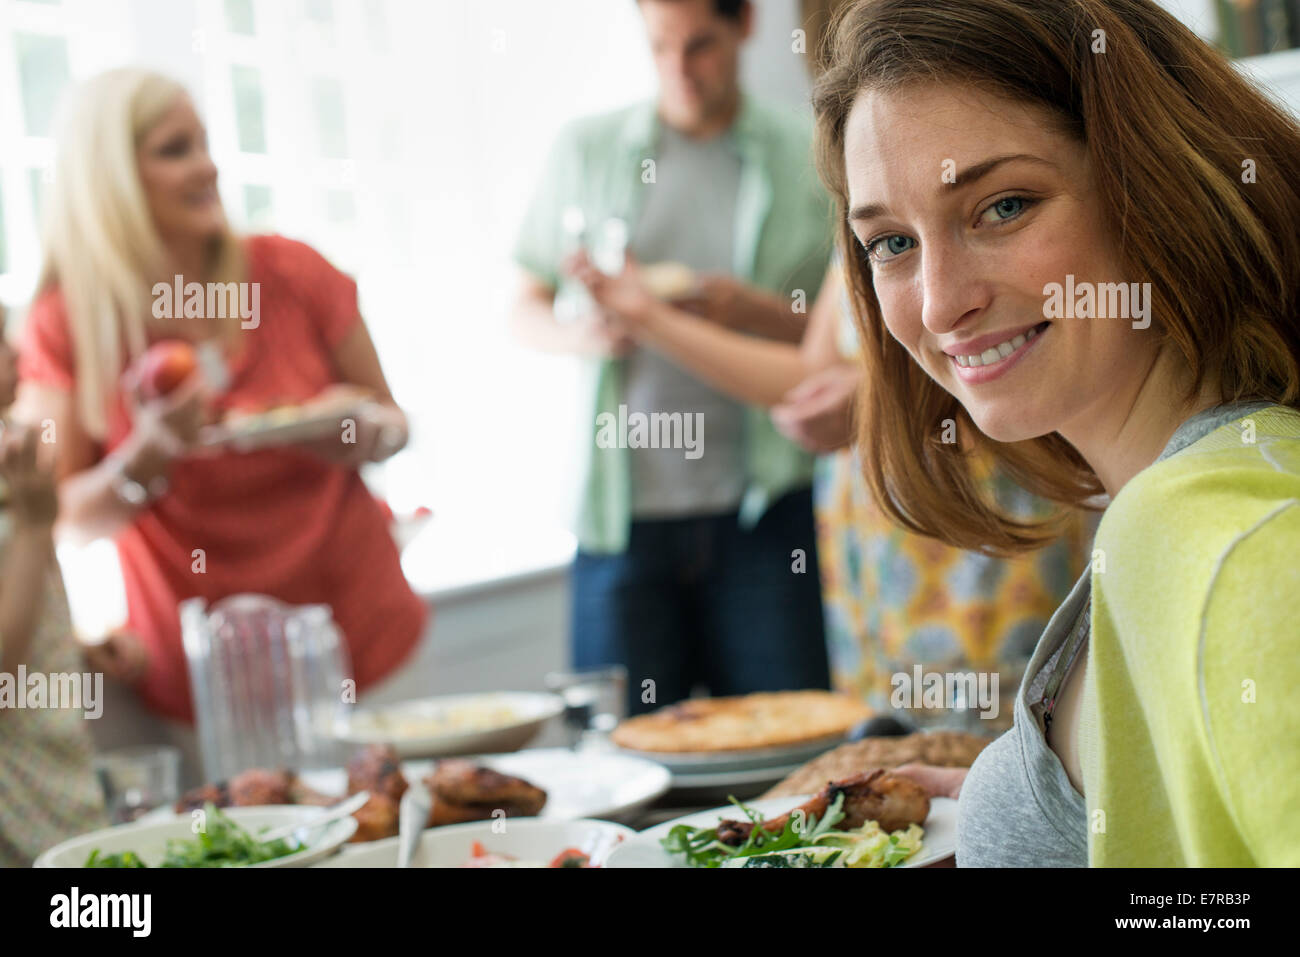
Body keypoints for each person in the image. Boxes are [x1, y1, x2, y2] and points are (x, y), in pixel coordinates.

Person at [812, 0, 1300, 865]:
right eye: (890, 242)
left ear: (1153, 182)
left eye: (1003, 206)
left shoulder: (1215, 533)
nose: (938, 303)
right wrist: (1029, 797)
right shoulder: (1182, 502)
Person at [14, 69, 428, 727]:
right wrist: (146, 457)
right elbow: (61, 519)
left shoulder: (291, 271)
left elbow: (395, 424)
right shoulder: (65, 325)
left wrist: (354, 432)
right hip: (205, 676)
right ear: (112, 177)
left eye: (207, 144)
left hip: (357, 634)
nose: (208, 167)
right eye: (177, 149)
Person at [572, 246, 1097, 731]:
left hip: (974, 514)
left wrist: (882, 400)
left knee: (999, 741)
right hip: (876, 537)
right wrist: (651, 316)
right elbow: (811, 374)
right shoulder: (854, 212)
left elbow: (1037, 339)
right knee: (893, 758)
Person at [512, 0, 835, 714]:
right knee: (620, 757)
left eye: (700, 47)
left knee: (783, 753)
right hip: (621, 517)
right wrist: (588, 334)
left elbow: (839, 343)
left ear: (745, 25)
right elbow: (523, 305)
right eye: (660, 48)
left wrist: (746, 311)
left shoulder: (809, 153)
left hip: (761, 512)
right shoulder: (587, 150)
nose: (678, 71)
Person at [0, 327, 107, 866]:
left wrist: (74, 649)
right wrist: (36, 526)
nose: (16, 350)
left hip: (52, 754)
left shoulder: (12, 458)